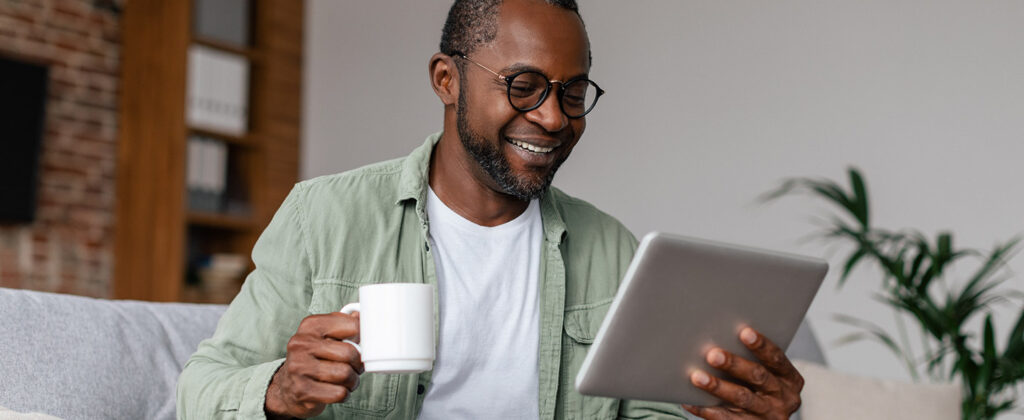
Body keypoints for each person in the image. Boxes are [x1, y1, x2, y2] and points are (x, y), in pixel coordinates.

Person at [176, 0, 805, 418]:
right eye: (523, 86)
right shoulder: (325, 217)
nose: (554, 117)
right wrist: (277, 390)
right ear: (447, 80)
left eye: (573, 93)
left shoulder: (612, 250)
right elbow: (198, 391)